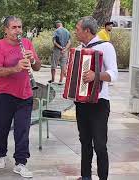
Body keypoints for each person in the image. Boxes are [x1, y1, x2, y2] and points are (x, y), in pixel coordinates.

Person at [0, 16, 41, 178]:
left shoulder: (27, 43)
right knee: (0, 128)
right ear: (5, 30)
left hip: (25, 94)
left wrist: (32, 59)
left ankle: (21, 163)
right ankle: (0, 154)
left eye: (20, 27)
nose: (18, 30)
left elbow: (38, 67)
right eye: (14, 27)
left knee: (22, 130)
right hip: (4, 94)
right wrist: (15, 68)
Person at [71, 16, 118, 180]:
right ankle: (85, 177)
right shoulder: (78, 49)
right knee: (84, 141)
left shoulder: (106, 47)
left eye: (77, 29)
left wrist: (95, 76)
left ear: (87, 31)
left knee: (99, 144)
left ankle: (103, 177)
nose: (75, 31)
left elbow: (114, 74)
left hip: (99, 103)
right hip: (81, 103)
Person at [49, 20, 71, 84]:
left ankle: (53, 80)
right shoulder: (67, 31)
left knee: (54, 65)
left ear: (57, 25)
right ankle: (60, 81)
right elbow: (69, 42)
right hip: (65, 51)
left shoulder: (56, 31)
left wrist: (60, 47)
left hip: (57, 50)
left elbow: (54, 42)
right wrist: (65, 49)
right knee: (63, 66)